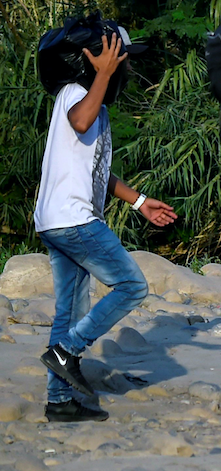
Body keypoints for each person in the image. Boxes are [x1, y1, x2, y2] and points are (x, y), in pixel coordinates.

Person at [37, 32, 178, 422]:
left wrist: (140, 202)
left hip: (57, 221)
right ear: (102, 62)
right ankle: (68, 352)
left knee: (69, 312)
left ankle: (59, 402)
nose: (127, 67)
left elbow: (98, 172)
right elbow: (80, 121)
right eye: (123, 59)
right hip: (74, 220)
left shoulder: (93, 103)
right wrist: (102, 73)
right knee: (132, 286)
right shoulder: (76, 94)